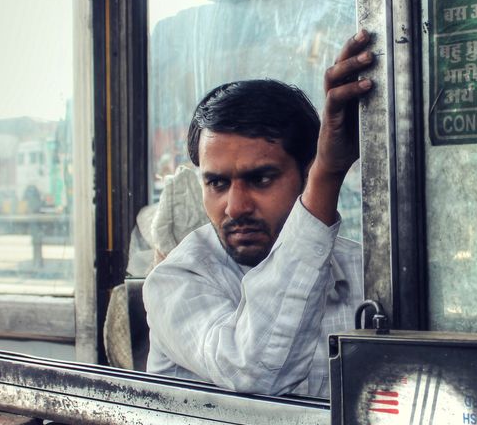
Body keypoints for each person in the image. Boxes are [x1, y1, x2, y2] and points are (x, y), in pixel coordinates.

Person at [142, 30, 374, 397]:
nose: (235, 207)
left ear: (305, 171)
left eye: (261, 178)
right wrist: (328, 175)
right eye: (216, 183)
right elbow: (255, 373)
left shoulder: (366, 275)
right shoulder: (177, 281)